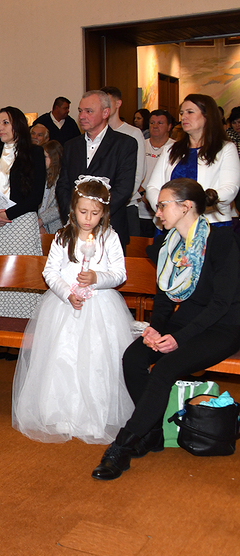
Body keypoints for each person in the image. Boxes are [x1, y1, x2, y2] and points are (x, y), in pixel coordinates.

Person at [93, 178, 240, 480]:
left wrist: (178, 339)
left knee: (164, 368)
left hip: (224, 325)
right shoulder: (165, 245)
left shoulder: (222, 241)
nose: (157, 212)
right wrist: (155, 329)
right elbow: (163, 298)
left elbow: (221, 303)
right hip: (186, 321)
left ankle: (122, 446)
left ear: (186, 207)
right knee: (133, 357)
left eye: (162, 205)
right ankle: (154, 433)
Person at [12, 177, 135, 444]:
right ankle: (62, 412)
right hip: (65, 307)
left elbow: (119, 273)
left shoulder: (109, 237)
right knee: (63, 356)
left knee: (95, 360)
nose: (88, 219)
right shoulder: (62, 236)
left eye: (95, 213)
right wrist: (67, 293)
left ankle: (93, 415)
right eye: (83, 211)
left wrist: (97, 278)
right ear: (73, 208)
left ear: (104, 212)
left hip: (100, 307)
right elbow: (50, 272)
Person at [0, 106, 47, 318]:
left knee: (21, 275)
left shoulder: (34, 153)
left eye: (5, 122)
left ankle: (23, 322)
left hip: (21, 223)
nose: (0, 127)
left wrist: (8, 214)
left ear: (19, 125)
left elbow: (35, 196)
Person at [145, 94, 239, 232]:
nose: (183, 117)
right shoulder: (170, 149)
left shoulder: (225, 148)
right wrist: (164, 209)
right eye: (182, 113)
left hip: (211, 224)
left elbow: (230, 188)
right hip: (171, 225)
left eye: (190, 112)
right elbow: (152, 187)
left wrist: (197, 206)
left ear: (207, 116)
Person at [56, 91, 138, 249]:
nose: (82, 116)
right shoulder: (71, 145)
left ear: (105, 113)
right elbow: (63, 185)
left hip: (110, 227)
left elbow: (124, 188)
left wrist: (94, 216)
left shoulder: (125, 144)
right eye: (80, 111)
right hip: (75, 227)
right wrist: (74, 216)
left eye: (89, 111)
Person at [101, 87, 146, 225]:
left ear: (118, 103)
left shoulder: (133, 133)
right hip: (99, 205)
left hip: (126, 205)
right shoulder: (98, 132)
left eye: (107, 102)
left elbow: (138, 173)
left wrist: (117, 199)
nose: (104, 106)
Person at [136, 109, 173, 236]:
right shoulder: (139, 145)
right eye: (152, 123)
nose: (155, 126)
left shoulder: (176, 148)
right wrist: (142, 192)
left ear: (169, 126)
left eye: (160, 123)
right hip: (139, 209)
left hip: (165, 213)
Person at [38, 140, 64, 234]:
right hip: (38, 225)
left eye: (45, 157)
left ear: (54, 158)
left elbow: (61, 205)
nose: (41, 160)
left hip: (55, 226)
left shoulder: (63, 178)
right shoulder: (40, 176)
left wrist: (42, 220)